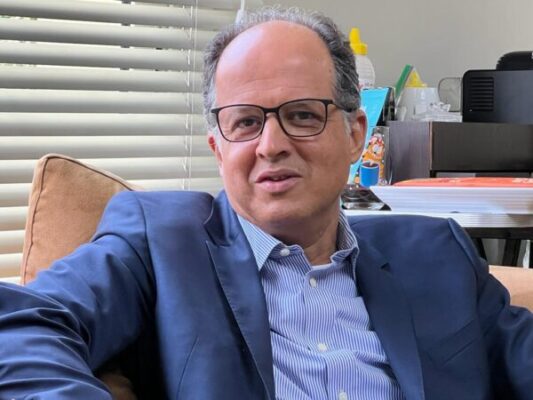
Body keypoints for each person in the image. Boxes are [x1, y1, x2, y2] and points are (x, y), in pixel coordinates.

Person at [1, 6, 532, 400]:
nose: (271, 144)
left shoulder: (434, 250)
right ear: (218, 148)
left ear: (355, 135)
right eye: (246, 121)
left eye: (302, 115)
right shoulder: (157, 239)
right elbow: (24, 326)